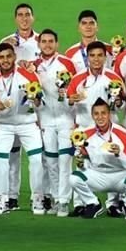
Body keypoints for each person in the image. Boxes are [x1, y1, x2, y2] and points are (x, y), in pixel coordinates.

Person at [0, 42, 44, 215]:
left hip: (27, 123)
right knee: (1, 162)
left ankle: (37, 198)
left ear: (14, 57)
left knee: (36, 160)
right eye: (1, 57)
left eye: (8, 56)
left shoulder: (29, 76)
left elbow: (40, 103)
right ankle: (2, 199)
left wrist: (36, 100)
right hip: (3, 125)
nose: (5, 60)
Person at [62, 99, 126, 219]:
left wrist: (119, 153)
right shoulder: (85, 134)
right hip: (98, 175)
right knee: (74, 178)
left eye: (103, 113)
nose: (100, 117)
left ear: (109, 114)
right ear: (92, 116)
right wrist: (80, 157)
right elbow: (82, 160)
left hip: (119, 175)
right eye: (96, 114)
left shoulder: (122, 133)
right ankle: (93, 203)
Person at [33, 29, 77, 214]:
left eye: (51, 41)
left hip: (66, 117)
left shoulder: (67, 63)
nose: (47, 44)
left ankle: (65, 201)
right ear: (39, 44)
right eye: (44, 41)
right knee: (50, 162)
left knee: (65, 161)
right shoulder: (33, 66)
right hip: (46, 119)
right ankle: (57, 198)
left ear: (57, 44)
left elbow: (76, 88)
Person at [67, 41, 126, 130]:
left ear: (105, 57)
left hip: (109, 129)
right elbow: (68, 105)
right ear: (87, 58)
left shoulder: (114, 78)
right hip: (85, 129)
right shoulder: (77, 79)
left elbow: (123, 105)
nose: (96, 59)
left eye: (99, 55)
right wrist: (71, 101)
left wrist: (119, 104)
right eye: (92, 55)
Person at [64, 9, 112, 74]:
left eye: (91, 23)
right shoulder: (70, 53)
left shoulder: (109, 49)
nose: (88, 26)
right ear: (78, 27)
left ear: (97, 26)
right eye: (84, 23)